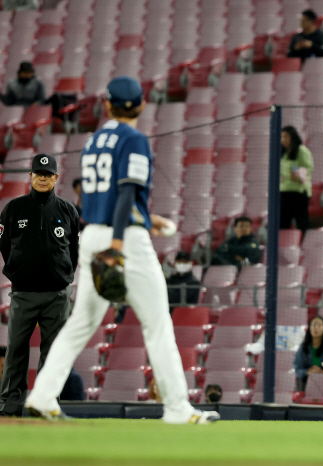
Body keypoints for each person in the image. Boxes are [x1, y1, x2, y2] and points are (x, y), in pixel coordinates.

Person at [24, 76, 219, 424]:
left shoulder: (93, 141)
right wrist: (119, 242)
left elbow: (107, 195)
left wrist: (146, 217)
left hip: (93, 233)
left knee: (80, 323)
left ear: (108, 105)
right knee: (158, 322)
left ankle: (42, 394)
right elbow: (127, 190)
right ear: (141, 104)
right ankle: (177, 409)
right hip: (122, 240)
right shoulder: (135, 139)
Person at [0, 153, 80, 417]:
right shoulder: (14, 208)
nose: (42, 178)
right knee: (16, 351)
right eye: (38, 174)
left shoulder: (68, 210)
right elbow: (3, 246)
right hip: (24, 293)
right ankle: (11, 404)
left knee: (54, 351)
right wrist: (16, 272)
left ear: (55, 178)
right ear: (31, 176)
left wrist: (64, 276)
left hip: (57, 294)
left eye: (47, 175)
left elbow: (74, 250)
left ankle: (46, 402)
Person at [280, 126, 314, 237]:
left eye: (286, 136)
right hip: (284, 192)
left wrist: (299, 176)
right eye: (282, 137)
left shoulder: (302, 150)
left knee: (301, 223)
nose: (283, 139)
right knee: (283, 223)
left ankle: (302, 247)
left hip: (299, 193)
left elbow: (308, 168)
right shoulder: (283, 152)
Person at [293, 315, 323, 391]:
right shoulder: (303, 348)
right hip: (307, 381)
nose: (316, 327)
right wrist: (308, 372)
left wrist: (321, 371)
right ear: (309, 328)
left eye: (319, 325)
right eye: (313, 325)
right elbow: (298, 368)